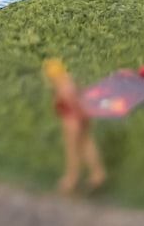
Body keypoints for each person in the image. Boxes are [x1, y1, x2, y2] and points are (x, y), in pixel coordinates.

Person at [43, 59, 106, 194]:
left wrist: (58, 99)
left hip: (72, 121)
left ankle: (71, 179)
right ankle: (97, 173)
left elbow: (69, 102)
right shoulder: (70, 80)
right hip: (81, 118)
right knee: (86, 145)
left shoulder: (62, 84)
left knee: (72, 149)